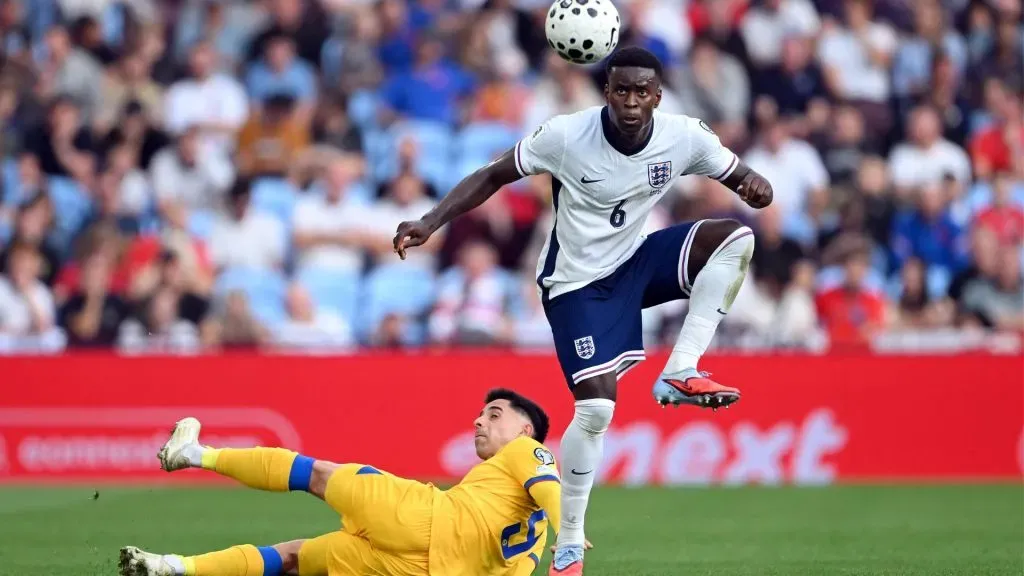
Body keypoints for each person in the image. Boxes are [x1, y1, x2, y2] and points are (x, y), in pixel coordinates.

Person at [393, 46, 774, 575]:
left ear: (657, 96)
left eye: (642, 92)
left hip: (635, 262)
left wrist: (756, 186)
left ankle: (680, 369)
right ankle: (568, 542)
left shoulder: (683, 135)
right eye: (621, 90)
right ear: (607, 93)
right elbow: (493, 174)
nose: (632, 101)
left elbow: (744, 178)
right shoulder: (568, 135)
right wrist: (431, 221)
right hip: (575, 285)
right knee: (596, 408)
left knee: (735, 238)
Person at [119, 389, 572, 576]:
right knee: (294, 560)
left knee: (316, 475)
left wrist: (570, 533)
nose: (479, 420)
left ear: (525, 429)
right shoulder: (528, 550)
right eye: (481, 413)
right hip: (420, 572)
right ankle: (172, 567)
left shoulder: (529, 450)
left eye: (494, 414)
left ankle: (196, 454)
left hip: (422, 519)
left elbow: (553, 489)